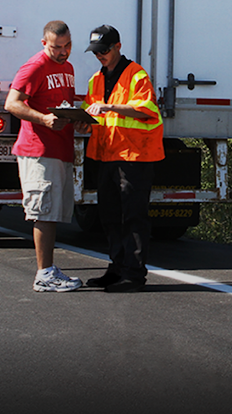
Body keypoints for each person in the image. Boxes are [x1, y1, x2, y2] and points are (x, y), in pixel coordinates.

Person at [82, 25, 164, 293]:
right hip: (106, 154)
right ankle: (117, 268)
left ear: (117, 47)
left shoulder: (136, 74)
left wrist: (109, 107)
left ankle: (134, 274)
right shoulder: (96, 79)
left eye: (104, 51)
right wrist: (82, 121)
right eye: (96, 52)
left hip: (134, 156)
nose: (100, 56)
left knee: (133, 217)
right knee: (109, 216)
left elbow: (146, 110)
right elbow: (90, 112)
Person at [4, 21, 82, 292]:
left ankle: (49, 270)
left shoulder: (68, 68)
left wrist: (78, 121)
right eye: (57, 47)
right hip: (38, 150)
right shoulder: (35, 66)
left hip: (60, 149)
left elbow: (63, 106)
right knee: (44, 213)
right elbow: (12, 103)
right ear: (44, 43)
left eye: (67, 45)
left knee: (53, 213)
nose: (63, 51)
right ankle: (44, 275)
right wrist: (43, 119)